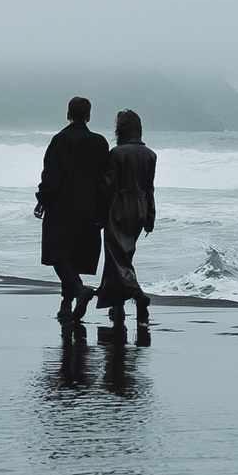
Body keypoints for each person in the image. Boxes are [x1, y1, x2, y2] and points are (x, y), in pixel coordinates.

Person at [35, 96, 110, 323]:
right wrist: (103, 210)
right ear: (88, 116)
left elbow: (51, 175)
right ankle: (66, 305)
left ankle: (78, 290)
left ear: (68, 114)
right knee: (75, 256)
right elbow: (105, 180)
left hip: (62, 207)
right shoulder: (100, 143)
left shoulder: (61, 139)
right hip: (90, 208)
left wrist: (42, 199)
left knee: (57, 253)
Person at [95, 108, 157, 337]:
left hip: (119, 205)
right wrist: (151, 215)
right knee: (124, 255)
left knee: (116, 255)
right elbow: (150, 188)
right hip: (140, 206)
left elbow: (107, 186)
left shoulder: (117, 153)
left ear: (121, 129)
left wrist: (98, 213)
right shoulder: (150, 155)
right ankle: (116, 306)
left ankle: (138, 295)